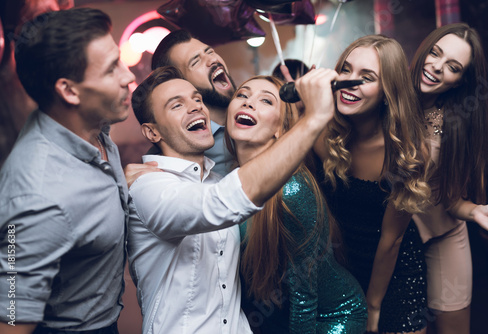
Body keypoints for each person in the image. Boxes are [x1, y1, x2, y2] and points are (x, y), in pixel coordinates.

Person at [126, 65, 338, 333]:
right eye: (176, 105)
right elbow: (216, 204)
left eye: (197, 99)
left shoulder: (218, 179)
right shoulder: (148, 186)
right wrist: (314, 118)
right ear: (153, 133)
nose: (195, 108)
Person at [0, 7, 135, 334]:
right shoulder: (38, 200)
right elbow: (13, 316)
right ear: (69, 91)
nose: (129, 76)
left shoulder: (87, 123)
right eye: (111, 69)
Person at [225, 75, 367, 333]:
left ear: (280, 129)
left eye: (265, 100)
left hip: (331, 316)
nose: (248, 103)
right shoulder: (228, 182)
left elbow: (304, 295)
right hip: (277, 314)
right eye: (242, 95)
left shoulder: (292, 190)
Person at [315, 35, 431, 333]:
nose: (349, 82)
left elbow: (391, 240)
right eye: (346, 70)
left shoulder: (407, 152)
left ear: (387, 91)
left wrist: (374, 305)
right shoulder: (321, 132)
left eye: (366, 78)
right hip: (341, 263)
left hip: (393, 272)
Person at [410, 23, 488, 334]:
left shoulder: (455, 124)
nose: (436, 67)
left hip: (443, 233)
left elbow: (448, 198)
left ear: (460, 81)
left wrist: (474, 210)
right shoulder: (386, 99)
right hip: (390, 240)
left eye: (453, 67)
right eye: (435, 53)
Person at [150, 29, 235, 176]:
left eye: (210, 52)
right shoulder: (165, 162)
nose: (212, 60)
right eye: (196, 61)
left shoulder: (261, 111)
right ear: (180, 84)